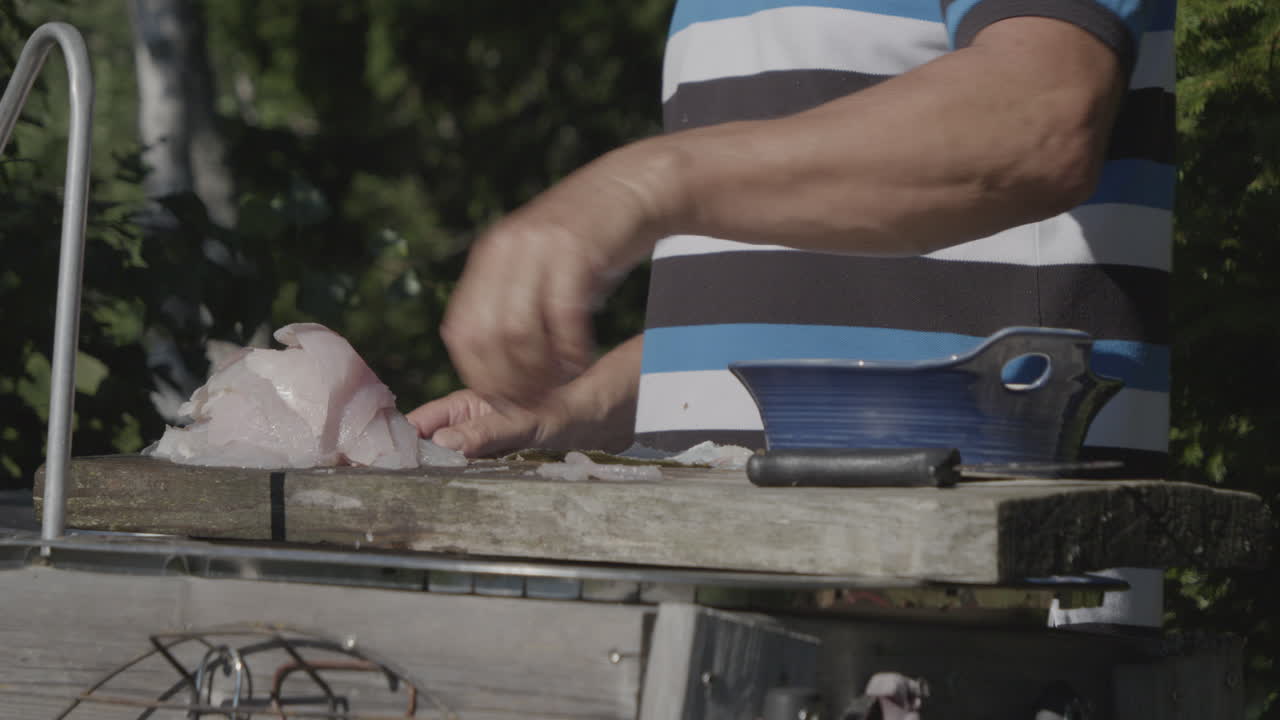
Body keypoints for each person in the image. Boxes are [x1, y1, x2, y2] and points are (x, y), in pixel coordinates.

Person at [409, 0, 1175, 628]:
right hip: (718, 613)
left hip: (978, 627)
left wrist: (647, 181)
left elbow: (1040, 118)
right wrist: (582, 408)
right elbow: (809, 285)